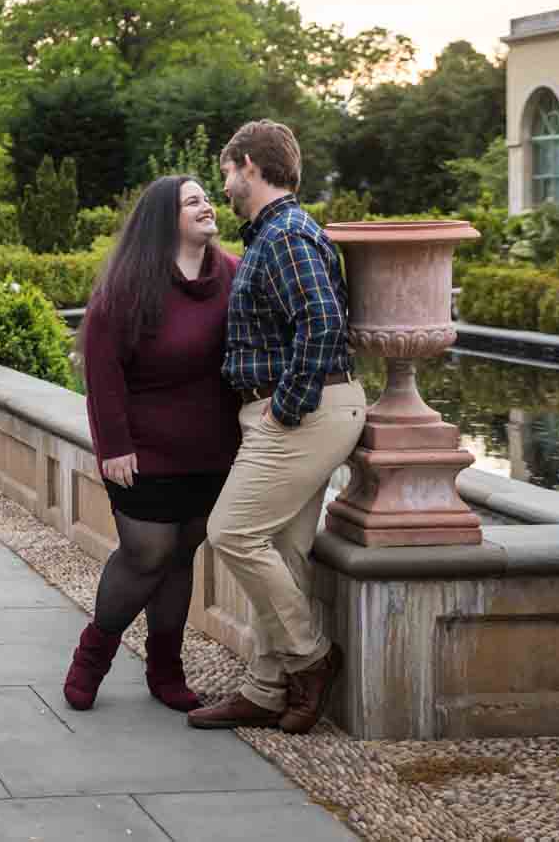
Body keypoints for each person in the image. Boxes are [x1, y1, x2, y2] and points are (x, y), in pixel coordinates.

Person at [187, 120, 365, 735]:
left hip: (304, 413)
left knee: (230, 532)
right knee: (284, 553)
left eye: (229, 171)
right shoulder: (275, 234)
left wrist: (285, 406)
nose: (225, 184)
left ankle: (313, 660)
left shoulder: (287, 234)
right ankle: (266, 689)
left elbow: (322, 322)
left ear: (249, 166)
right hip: (307, 410)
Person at [62, 174, 241, 713]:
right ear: (166, 219)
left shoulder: (231, 273)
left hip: (212, 448)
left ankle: (166, 669)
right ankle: (92, 656)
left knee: (183, 553)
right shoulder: (130, 283)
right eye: (193, 202)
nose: (207, 206)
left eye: (207, 198)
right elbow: (102, 367)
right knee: (146, 553)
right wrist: (112, 444)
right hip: (143, 448)